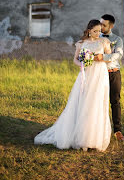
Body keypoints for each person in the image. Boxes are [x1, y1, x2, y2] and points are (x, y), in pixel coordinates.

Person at [34, 19, 112, 152]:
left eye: (99, 31)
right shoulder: (81, 43)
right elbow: (75, 59)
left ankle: (94, 138)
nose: (98, 33)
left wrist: (100, 57)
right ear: (89, 31)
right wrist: (83, 63)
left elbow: (109, 57)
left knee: (96, 104)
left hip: (100, 75)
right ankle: (82, 139)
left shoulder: (104, 42)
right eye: (95, 31)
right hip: (86, 75)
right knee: (83, 103)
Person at [94, 14, 124, 141]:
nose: (101, 27)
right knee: (99, 101)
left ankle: (117, 130)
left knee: (115, 101)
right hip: (100, 73)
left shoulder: (118, 39)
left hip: (114, 73)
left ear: (111, 26)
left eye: (104, 25)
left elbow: (117, 55)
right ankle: (99, 130)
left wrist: (102, 57)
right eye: (100, 24)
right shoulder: (95, 38)